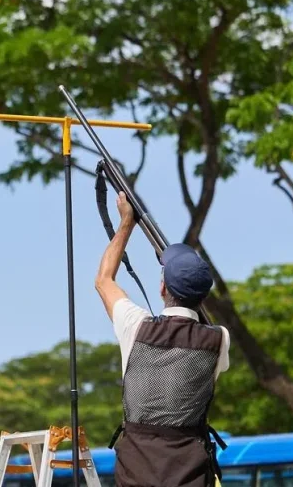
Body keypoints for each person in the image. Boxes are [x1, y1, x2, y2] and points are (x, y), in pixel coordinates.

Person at [95, 191, 231, 487]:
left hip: (135, 475)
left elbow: (104, 280)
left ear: (162, 290)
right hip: (190, 477)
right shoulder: (219, 339)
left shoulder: (136, 327)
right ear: (203, 298)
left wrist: (126, 223)